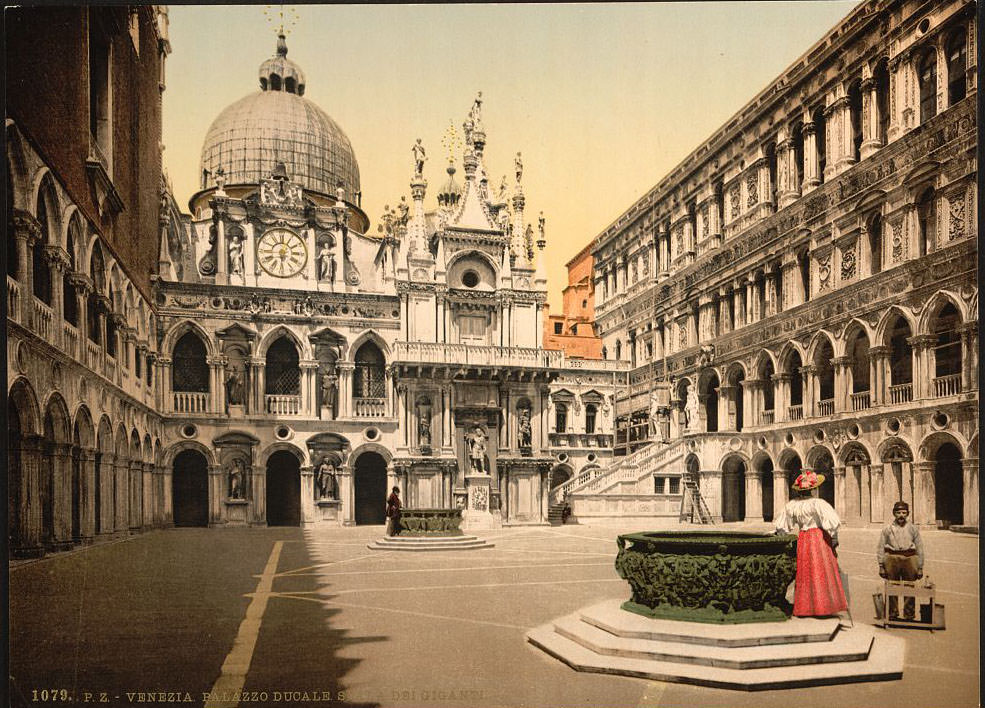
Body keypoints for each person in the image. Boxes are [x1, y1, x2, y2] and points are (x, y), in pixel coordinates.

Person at [774, 469, 847, 618]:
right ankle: (823, 607)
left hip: (804, 539)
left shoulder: (792, 505)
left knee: (805, 572)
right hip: (819, 539)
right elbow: (831, 523)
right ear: (813, 489)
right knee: (821, 571)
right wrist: (834, 538)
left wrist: (781, 533)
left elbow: (782, 526)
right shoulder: (818, 503)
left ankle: (805, 608)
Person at [878, 500, 925, 619]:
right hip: (892, 559)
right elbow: (881, 547)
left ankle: (909, 614)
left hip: (909, 559)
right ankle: (892, 614)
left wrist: (919, 567)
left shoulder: (913, 529)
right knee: (892, 586)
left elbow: (919, 548)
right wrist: (881, 566)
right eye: (898, 512)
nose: (901, 515)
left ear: (908, 514)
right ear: (894, 513)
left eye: (904, 512)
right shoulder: (887, 529)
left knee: (909, 587)